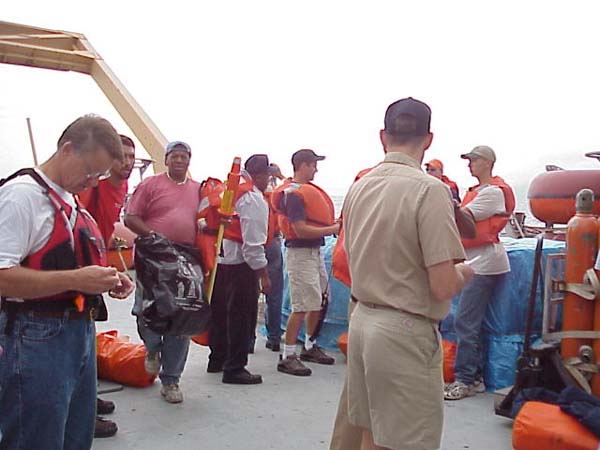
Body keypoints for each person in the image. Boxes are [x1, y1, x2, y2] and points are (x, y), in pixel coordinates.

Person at [339, 97, 474, 450]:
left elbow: (349, 256)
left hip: (363, 323)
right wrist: (466, 272)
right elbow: (443, 285)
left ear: (383, 136)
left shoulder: (359, 187)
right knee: (407, 441)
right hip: (404, 331)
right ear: (428, 139)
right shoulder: (430, 190)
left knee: (371, 435)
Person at [0, 115, 134, 450]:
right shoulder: (21, 197)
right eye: (90, 171)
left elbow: (68, 260)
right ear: (68, 149)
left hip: (79, 333)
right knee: (36, 439)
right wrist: (77, 279)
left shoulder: (70, 199)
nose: (92, 182)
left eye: (99, 176)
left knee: (76, 435)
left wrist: (108, 278)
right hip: (36, 338)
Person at [124, 140, 201, 403]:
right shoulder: (150, 185)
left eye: (184, 156)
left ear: (189, 160)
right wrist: (155, 237)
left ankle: (171, 381)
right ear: (166, 159)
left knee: (182, 318)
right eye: (174, 156)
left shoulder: (197, 189)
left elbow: (209, 219)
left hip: (185, 260)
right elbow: (130, 218)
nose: (179, 160)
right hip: (152, 256)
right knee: (146, 310)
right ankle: (153, 348)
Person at [444, 145, 515, 401]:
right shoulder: (479, 192)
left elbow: (462, 219)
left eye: (473, 160)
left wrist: (444, 202)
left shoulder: (492, 193)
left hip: (484, 264)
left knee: (465, 322)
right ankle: (474, 376)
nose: (469, 164)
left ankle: (467, 380)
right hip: (476, 261)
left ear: (487, 162)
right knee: (470, 322)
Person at [78, 133, 136, 438]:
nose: (126, 163)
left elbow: (102, 227)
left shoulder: (122, 186)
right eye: (121, 156)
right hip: (81, 270)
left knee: (88, 336)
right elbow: (78, 228)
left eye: (131, 157)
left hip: (96, 265)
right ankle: (82, 410)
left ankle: (87, 396)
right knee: (78, 341)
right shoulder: (92, 186)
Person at [271, 149, 339, 376]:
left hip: (314, 251)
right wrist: (334, 229)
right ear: (301, 165)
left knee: (318, 299)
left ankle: (309, 346)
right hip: (299, 255)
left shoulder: (302, 192)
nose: (316, 169)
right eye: (312, 164)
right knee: (301, 304)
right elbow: (299, 229)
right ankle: (288, 355)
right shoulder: (294, 195)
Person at [207, 154, 275, 384]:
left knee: (219, 314)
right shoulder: (253, 199)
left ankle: (217, 359)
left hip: (221, 260)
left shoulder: (231, 191)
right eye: (268, 175)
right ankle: (235, 368)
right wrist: (264, 275)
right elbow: (253, 246)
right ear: (261, 175)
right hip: (241, 266)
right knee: (241, 317)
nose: (270, 180)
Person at [263, 163, 286, 352]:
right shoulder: (279, 192)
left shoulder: (251, 194)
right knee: (275, 293)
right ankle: (274, 337)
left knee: (247, 295)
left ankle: (247, 340)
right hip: (272, 242)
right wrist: (282, 175)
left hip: (251, 243)